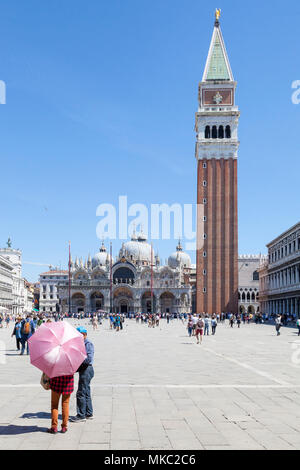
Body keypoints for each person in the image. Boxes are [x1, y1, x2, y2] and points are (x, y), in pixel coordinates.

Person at [70, 326, 95, 423]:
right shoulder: (80, 344)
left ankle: (81, 415)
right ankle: (89, 413)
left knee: (80, 392)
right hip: (84, 369)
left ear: (84, 335)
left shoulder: (88, 344)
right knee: (86, 392)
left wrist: (78, 356)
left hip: (87, 369)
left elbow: (88, 359)